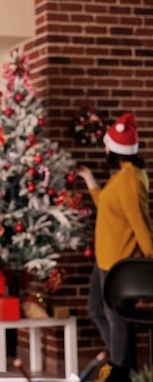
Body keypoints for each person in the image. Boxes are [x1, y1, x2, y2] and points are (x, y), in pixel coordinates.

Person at [77, 112, 153, 382]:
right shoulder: (122, 176)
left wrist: (150, 258)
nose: (104, 148)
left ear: (116, 149)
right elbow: (110, 210)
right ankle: (121, 363)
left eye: (107, 144)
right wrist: (91, 183)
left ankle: (120, 369)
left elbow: (139, 222)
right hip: (104, 259)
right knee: (96, 310)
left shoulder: (130, 180)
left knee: (114, 315)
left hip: (120, 263)